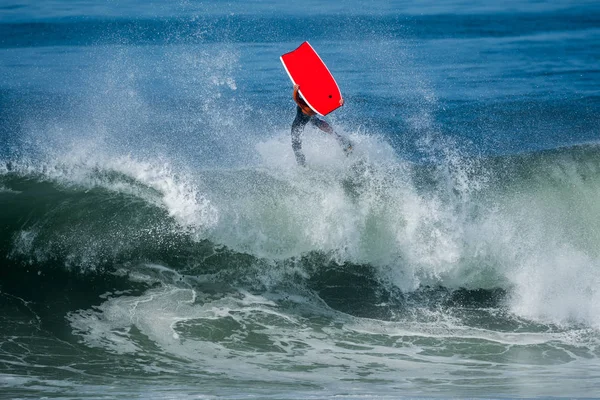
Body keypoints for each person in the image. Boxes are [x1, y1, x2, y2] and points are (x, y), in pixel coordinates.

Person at [290, 84, 352, 166]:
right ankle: (339, 138)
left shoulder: (311, 105)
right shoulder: (315, 105)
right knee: (316, 122)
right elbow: (296, 99)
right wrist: (339, 102)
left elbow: (296, 99)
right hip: (305, 116)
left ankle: (301, 163)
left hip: (305, 116)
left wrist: (340, 101)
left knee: (296, 143)